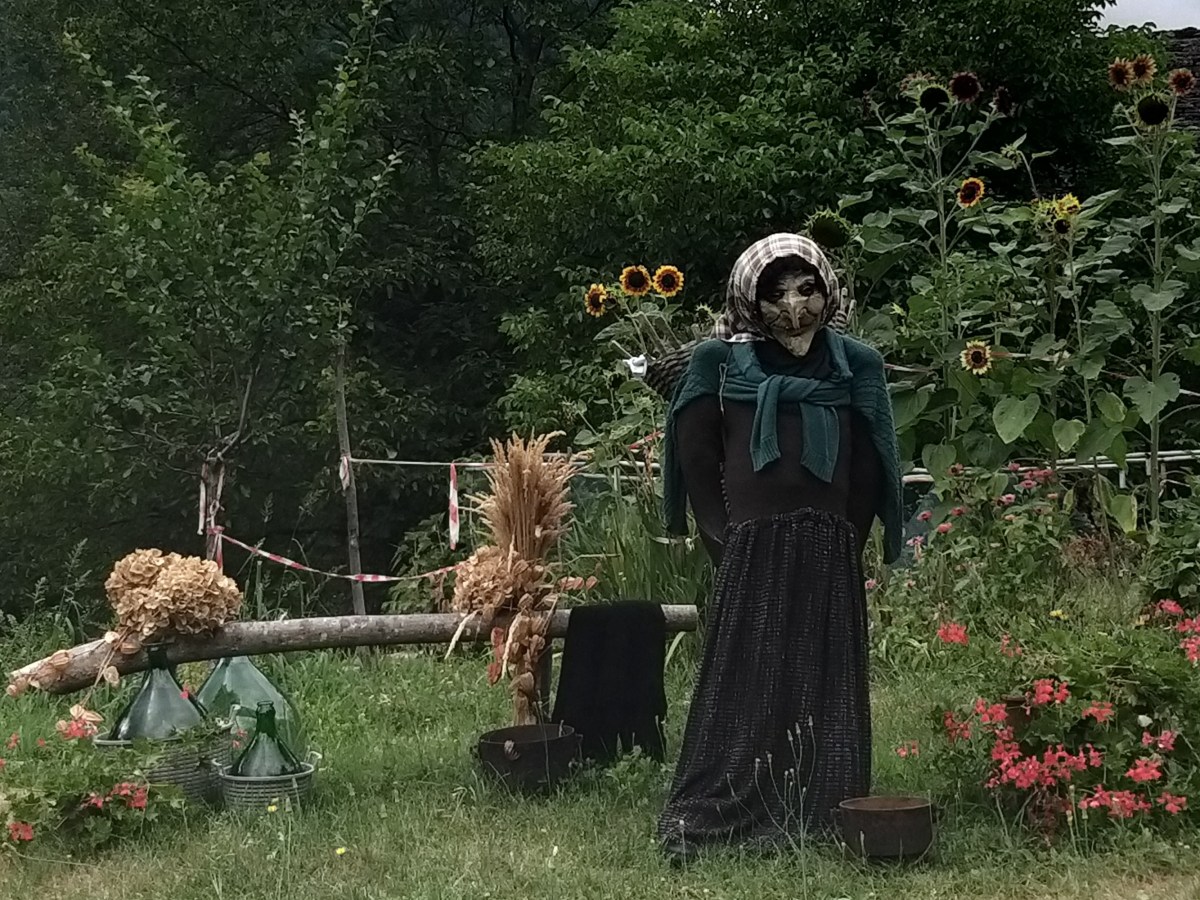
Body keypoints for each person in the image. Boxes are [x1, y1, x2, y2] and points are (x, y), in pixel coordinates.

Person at [656, 232, 903, 861]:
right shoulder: (719, 363)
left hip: (827, 547)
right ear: (749, 296)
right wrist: (724, 538)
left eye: (807, 288)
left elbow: (874, 461)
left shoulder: (857, 365)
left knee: (824, 675)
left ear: (828, 289)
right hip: (753, 546)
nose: (795, 306)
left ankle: (819, 801)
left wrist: (848, 537)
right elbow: (696, 451)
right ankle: (726, 803)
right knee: (745, 678)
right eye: (777, 293)